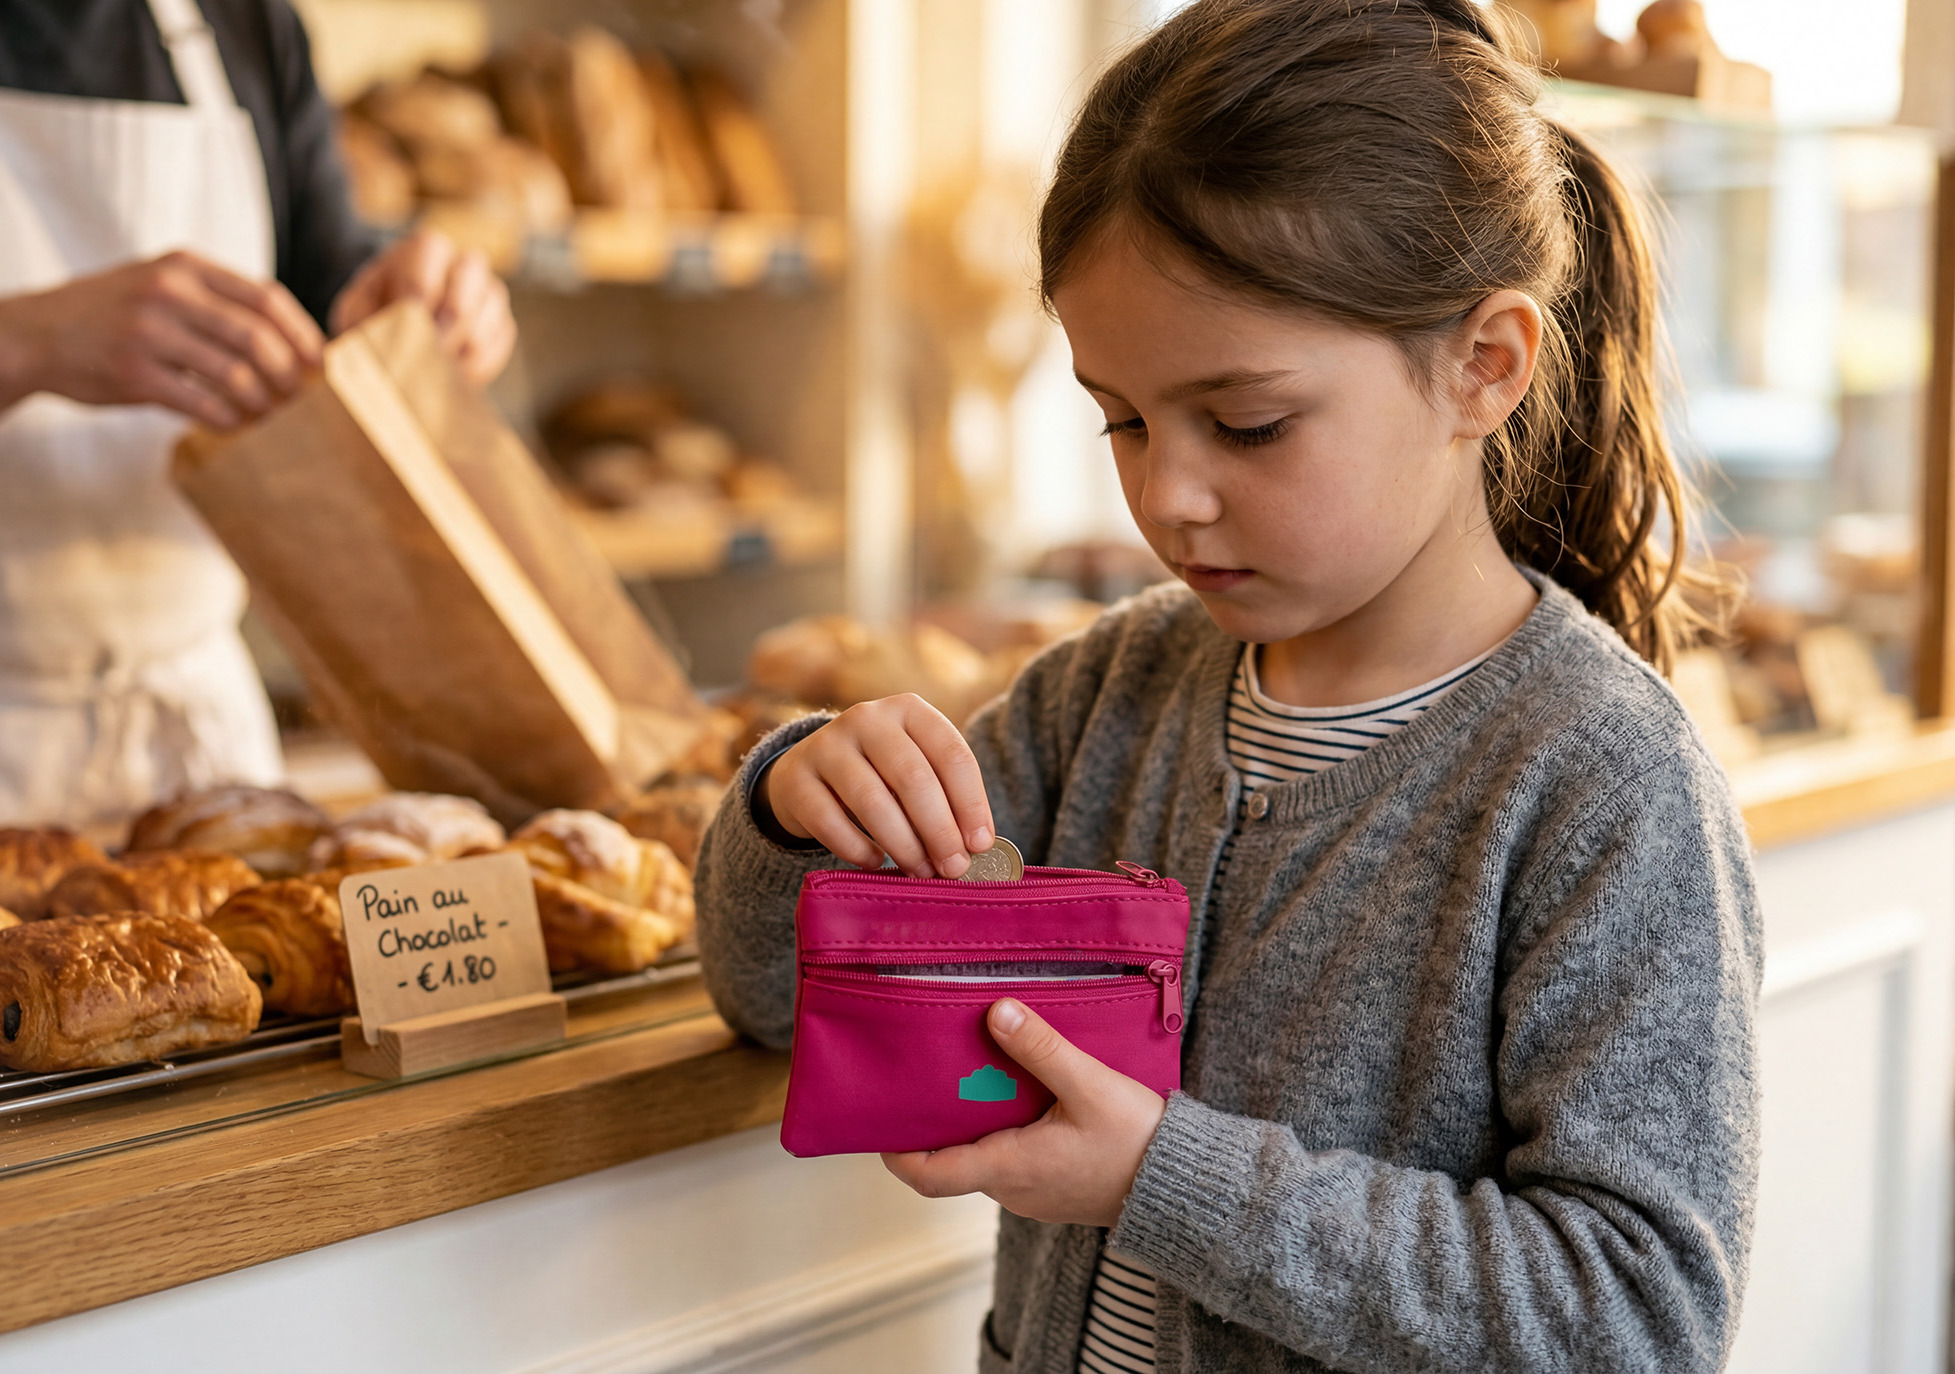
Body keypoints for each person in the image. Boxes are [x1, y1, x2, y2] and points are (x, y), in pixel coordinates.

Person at [695, 1, 1762, 1370]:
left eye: (1246, 423)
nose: (1167, 494)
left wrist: (1164, 1174)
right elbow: (768, 997)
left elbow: (1637, 1321)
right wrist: (796, 815)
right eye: (1121, 419)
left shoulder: (1606, 780)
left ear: (1483, 367)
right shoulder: (1102, 693)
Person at [0, 0, 515, 844]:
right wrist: (12, 344)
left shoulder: (247, 26)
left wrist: (420, 322)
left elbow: (336, 326)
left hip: (197, 762)